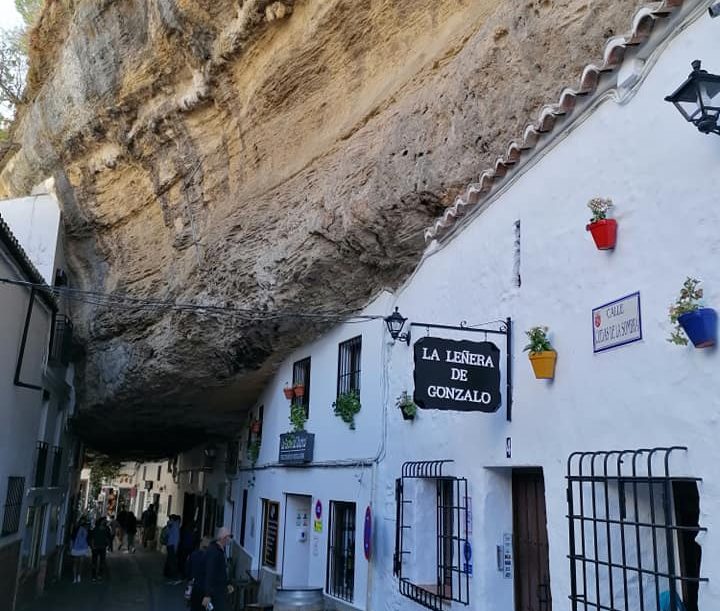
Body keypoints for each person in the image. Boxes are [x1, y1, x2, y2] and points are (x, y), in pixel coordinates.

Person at [201, 527, 234, 611]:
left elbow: (221, 570)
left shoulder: (220, 549)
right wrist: (207, 594)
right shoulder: (214, 552)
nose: (230, 539)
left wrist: (227, 584)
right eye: (230, 537)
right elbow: (209, 572)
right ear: (224, 538)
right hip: (215, 592)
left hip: (220, 590)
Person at [187, 537, 210, 611]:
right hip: (205, 590)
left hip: (194, 587)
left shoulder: (193, 555)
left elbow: (187, 571)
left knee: (194, 607)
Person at [89, 517, 112, 582]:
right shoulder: (96, 529)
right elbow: (93, 538)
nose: (105, 522)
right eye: (104, 520)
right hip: (96, 547)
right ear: (101, 521)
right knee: (94, 562)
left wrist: (108, 545)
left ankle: (99, 575)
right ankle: (94, 575)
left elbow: (108, 538)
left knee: (102, 562)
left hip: (102, 547)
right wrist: (92, 546)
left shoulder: (106, 529)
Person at [69, 517, 90, 583]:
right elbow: (72, 537)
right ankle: (75, 577)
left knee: (80, 563)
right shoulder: (76, 528)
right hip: (77, 547)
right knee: (76, 562)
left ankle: (78, 576)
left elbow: (87, 537)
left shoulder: (85, 528)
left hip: (81, 547)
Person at [164, 515, 181, 583]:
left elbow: (167, 534)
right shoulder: (176, 526)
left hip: (169, 544)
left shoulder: (170, 525)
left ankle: (167, 573)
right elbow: (176, 539)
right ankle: (175, 576)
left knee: (169, 559)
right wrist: (176, 548)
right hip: (172, 545)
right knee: (172, 561)